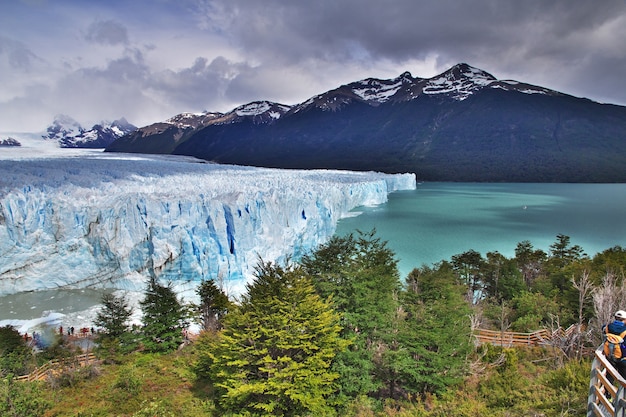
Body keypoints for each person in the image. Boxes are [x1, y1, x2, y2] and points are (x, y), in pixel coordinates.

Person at [603, 310, 626, 378]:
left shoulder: (608, 327)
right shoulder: (624, 329)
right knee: (623, 379)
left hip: (610, 356)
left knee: (609, 377)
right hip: (623, 358)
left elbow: (603, 328)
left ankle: (607, 388)